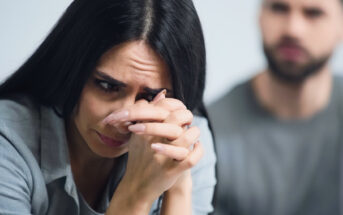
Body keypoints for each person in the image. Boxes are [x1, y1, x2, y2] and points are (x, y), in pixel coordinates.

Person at [0, 0, 216, 214]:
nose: (124, 117)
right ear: (72, 68)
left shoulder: (187, 140)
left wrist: (178, 186)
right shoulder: (8, 142)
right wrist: (136, 193)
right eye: (107, 86)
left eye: (150, 96)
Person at [209, 0, 343, 214]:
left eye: (314, 13)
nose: (293, 29)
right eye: (279, 8)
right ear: (260, 16)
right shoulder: (209, 134)